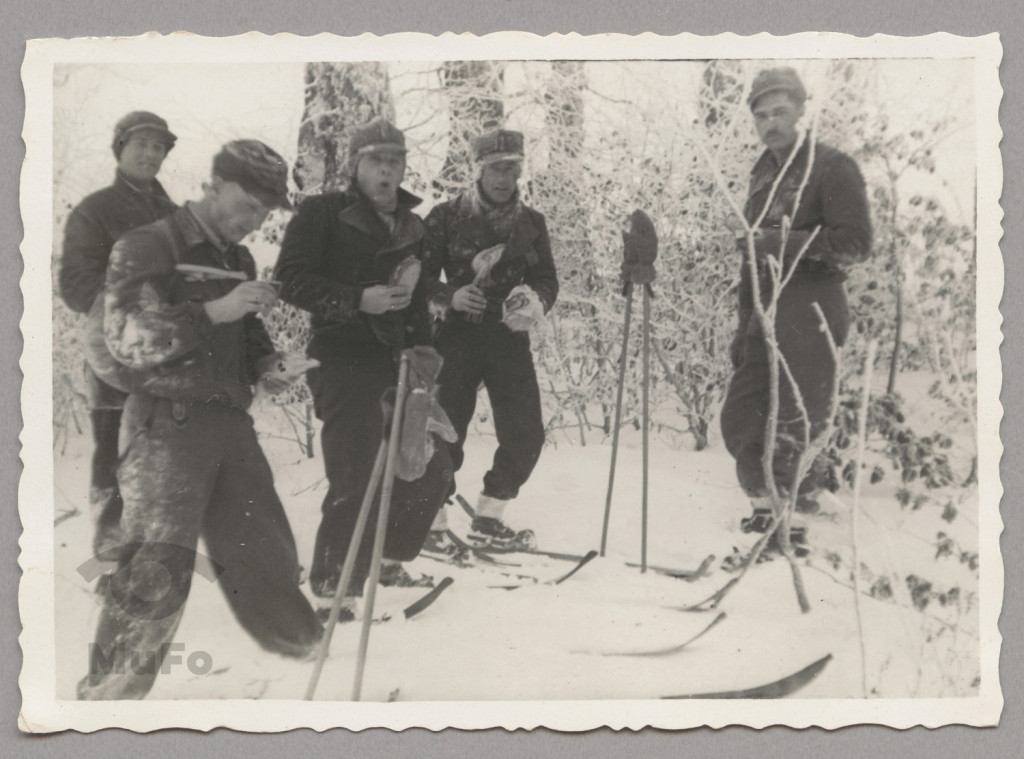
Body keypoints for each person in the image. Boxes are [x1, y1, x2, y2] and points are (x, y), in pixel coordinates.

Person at [77, 140, 322, 700]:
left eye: (266, 211)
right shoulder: (148, 245)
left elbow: (248, 334)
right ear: (214, 185)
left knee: (264, 547)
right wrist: (218, 309)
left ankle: (306, 660)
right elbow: (130, 338)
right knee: (156, 567)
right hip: (166, 425)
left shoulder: (237, 260)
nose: (255, 219)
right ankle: (109, 697)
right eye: (249, 203)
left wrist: (271, 363)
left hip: (229, 422)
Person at [275, 117, 452, 622]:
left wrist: (424, 352)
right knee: (355, 474)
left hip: (401, 362)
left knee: (430, 466)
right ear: (356, 166)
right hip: (343, 355)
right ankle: (334, 590)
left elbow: (416, 296)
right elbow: (290, 280)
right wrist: (357, 300)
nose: (387, 171)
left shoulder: (413, 224)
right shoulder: (323, 213)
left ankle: (386, 562)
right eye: (377, 161)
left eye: (395, 161)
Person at [719, 67, 873, 546]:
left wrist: (782, 244)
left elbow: (857, 243)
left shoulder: (830, 166)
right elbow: (751, 253)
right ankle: (767, 509)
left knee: (797, 414)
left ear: (802, 110)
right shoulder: (762, 172)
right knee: (742, 414)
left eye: (780, 111)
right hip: (764, 305)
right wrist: (743, 324)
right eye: (761, 115)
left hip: (811, 304)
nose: (771, 123)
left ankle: (790, 521)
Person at [420, 127, 558, 551]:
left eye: (512, 169)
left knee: (526, 432)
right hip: (456, 337)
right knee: (444, 430)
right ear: (478, 170)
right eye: (495, 168)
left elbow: (546, 279)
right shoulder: (445, 217)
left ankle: (490, 517)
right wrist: (449, 296)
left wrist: (533, 302)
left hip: (507, 337)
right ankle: (432, 522)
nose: (504, 178)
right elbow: (415, 279)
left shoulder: (531, 224)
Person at [59, 111, 179, 557]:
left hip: (171, 357)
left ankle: (155, 567)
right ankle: (111, 570)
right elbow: (74, 283)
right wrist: (130, 307)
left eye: (158, 146)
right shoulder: (95, 211)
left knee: (167, 461)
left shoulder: (176, 216)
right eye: (141, 144)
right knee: (116, 459)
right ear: (120, 148)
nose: (150, 153)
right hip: (115, 359)